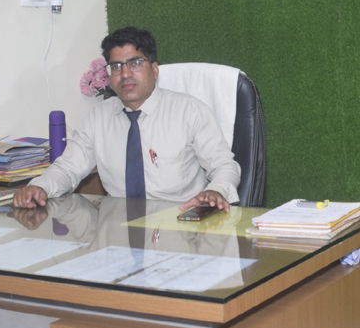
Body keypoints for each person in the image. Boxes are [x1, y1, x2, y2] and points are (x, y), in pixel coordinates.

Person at [13, 27, 240, 212]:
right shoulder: (98, 118)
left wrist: (216, 191)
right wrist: (40, 187)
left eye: (135, 63)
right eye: (116, 67)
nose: (125, 74)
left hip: (179, 225)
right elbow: (68, 168)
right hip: (117, 229)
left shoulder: (190, 111)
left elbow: (224, 166)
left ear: (154, 69)